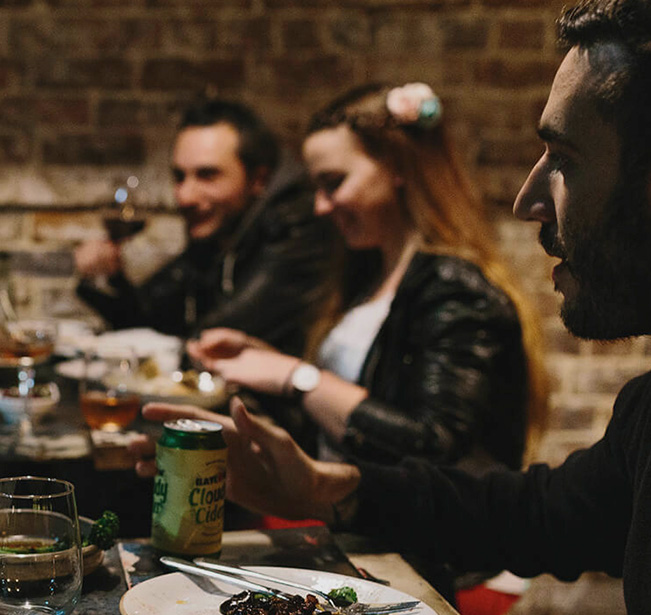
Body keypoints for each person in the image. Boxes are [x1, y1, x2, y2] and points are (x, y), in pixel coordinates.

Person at [134, 0, 651, 615]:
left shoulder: (457, 295)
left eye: (559, 156)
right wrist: (326, 484)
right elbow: (532, 512)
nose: (527, 199)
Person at [189, 82, 547, 475]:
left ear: (396, 167)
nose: (321, 206)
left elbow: (436, 446)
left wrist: (297, 376)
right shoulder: (368, 275)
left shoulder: (454, 288)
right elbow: (347, 420)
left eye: (334, 182)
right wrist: (264, 364)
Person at [73, 99, 340, 354]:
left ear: (258, 179)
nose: (184, 196)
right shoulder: (221, 231)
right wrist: (112, 277)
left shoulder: (297, 225)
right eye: (179, 176)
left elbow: (214, 337)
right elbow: (147, 320)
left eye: (207, 175)